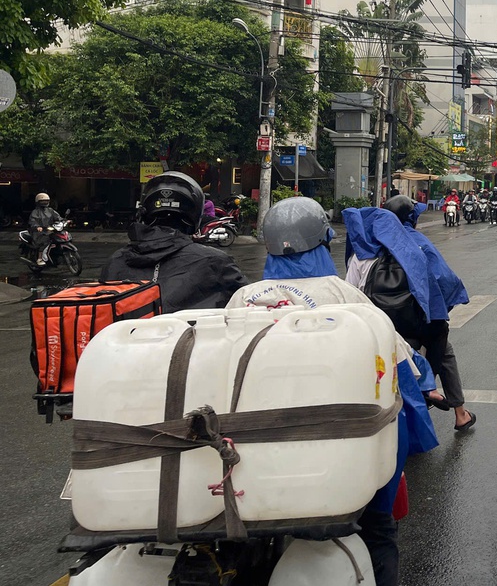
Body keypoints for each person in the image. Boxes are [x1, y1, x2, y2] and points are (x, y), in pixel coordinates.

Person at [226, 196, 438, 586]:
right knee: (378, 530)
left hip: (256, 449)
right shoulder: (344, 296)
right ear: (324, 241)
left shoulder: (243, 298)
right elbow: (402, 364)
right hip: (339, 446)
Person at [344, 195, 476, 431]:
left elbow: (350, 293)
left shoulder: (362, 250)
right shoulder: (417, 245)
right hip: (416, 325)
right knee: (444, 348)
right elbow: (445, 282)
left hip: (378, 326)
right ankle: (459, 413)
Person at [100, 172, 247, 312]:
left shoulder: (116, 260)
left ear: (144, 213)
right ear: (195, 215)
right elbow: (249, 305)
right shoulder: (216, 262)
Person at [28, 192, 63, 266]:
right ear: (38, 202)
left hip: (50, 230)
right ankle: (40, 258)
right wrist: (37, 227)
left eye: (46, 201)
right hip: (38, 232)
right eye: (42, 201)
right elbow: (32, 221)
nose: (44, 203)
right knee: (45, 241)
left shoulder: (50, 210)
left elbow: (58, 217)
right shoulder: (35, 212)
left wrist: (63, 221)